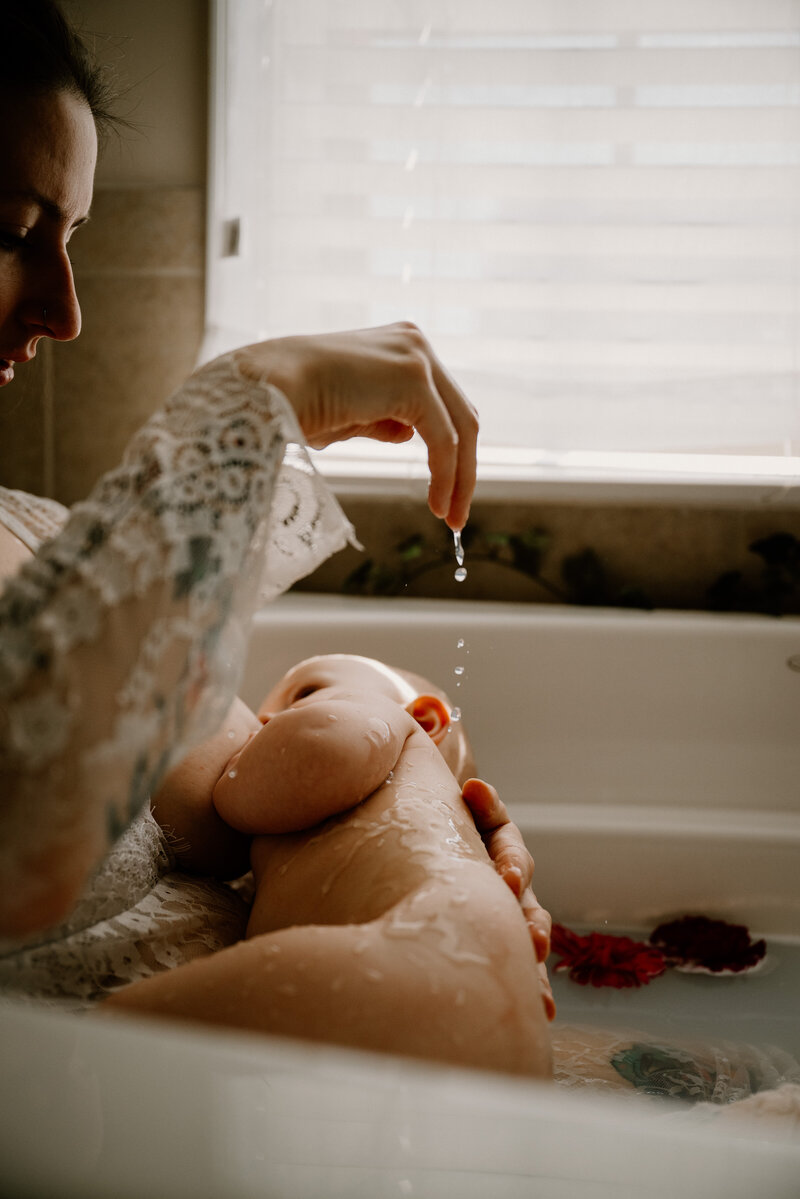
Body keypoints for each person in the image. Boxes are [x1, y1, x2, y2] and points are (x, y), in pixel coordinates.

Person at [0, 0, 550, 1014]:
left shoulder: (38, 534)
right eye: (11, 233)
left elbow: (244, 763)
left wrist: (422, 765)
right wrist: (246, 401)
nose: (65, 312)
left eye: (70, 236)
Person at [103, 653, 554, 1078]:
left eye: (301, 697)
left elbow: (324, 750)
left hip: (418, 946)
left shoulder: (386, 719)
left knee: (109, 1036)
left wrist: (236, 782)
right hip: (498, 1014)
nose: (263, 723)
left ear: (424, 718)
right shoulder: (355, 833)